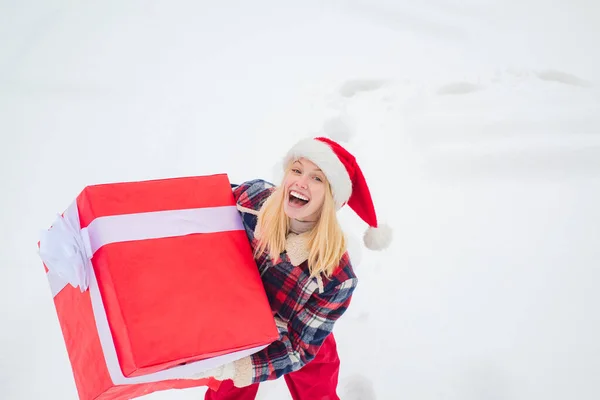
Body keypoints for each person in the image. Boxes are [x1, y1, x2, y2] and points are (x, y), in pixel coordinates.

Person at [197, 136, 392, 400]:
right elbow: (201, 207)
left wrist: (250, 366)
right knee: (228, 385)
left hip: (298, 329)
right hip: (242, 327)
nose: (301, 181)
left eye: (317, 178)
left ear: (331, 197)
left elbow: (298, 350)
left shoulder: (336, 277)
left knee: (316, 386)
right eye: (297, 170)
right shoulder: (253, 201)